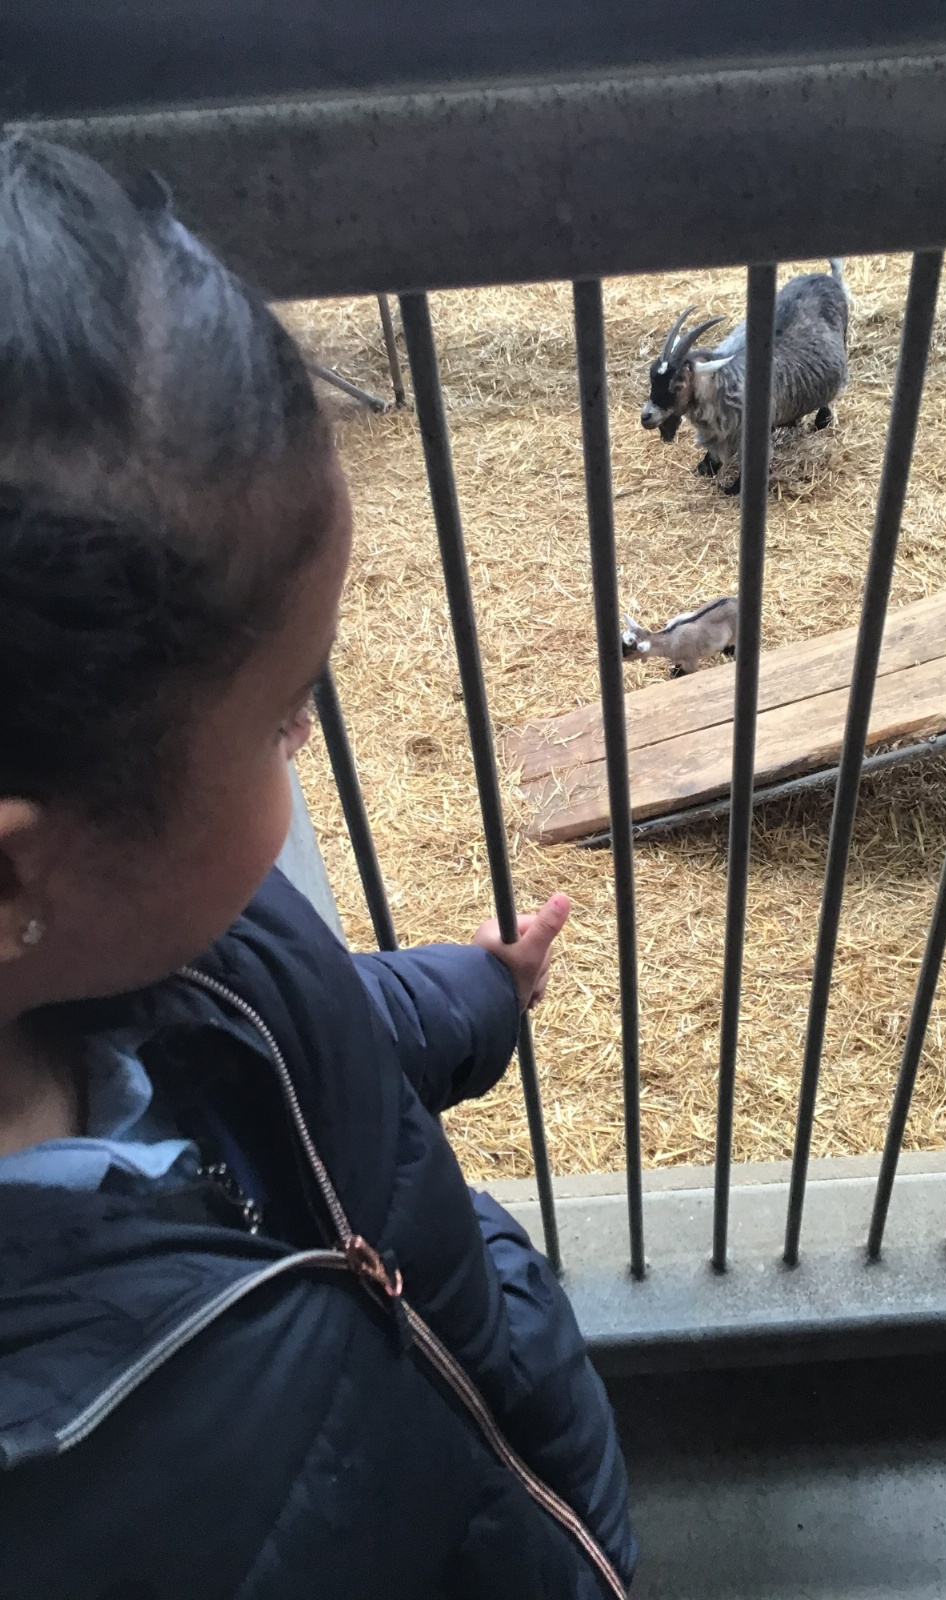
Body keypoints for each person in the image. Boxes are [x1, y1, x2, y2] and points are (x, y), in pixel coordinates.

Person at [0, 134, 635, 1599]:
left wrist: (473, 992)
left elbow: (305, 1025)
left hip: (522, 1480)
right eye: (288, 713)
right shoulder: (106, 1512)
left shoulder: (148, 944)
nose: (306, 742)